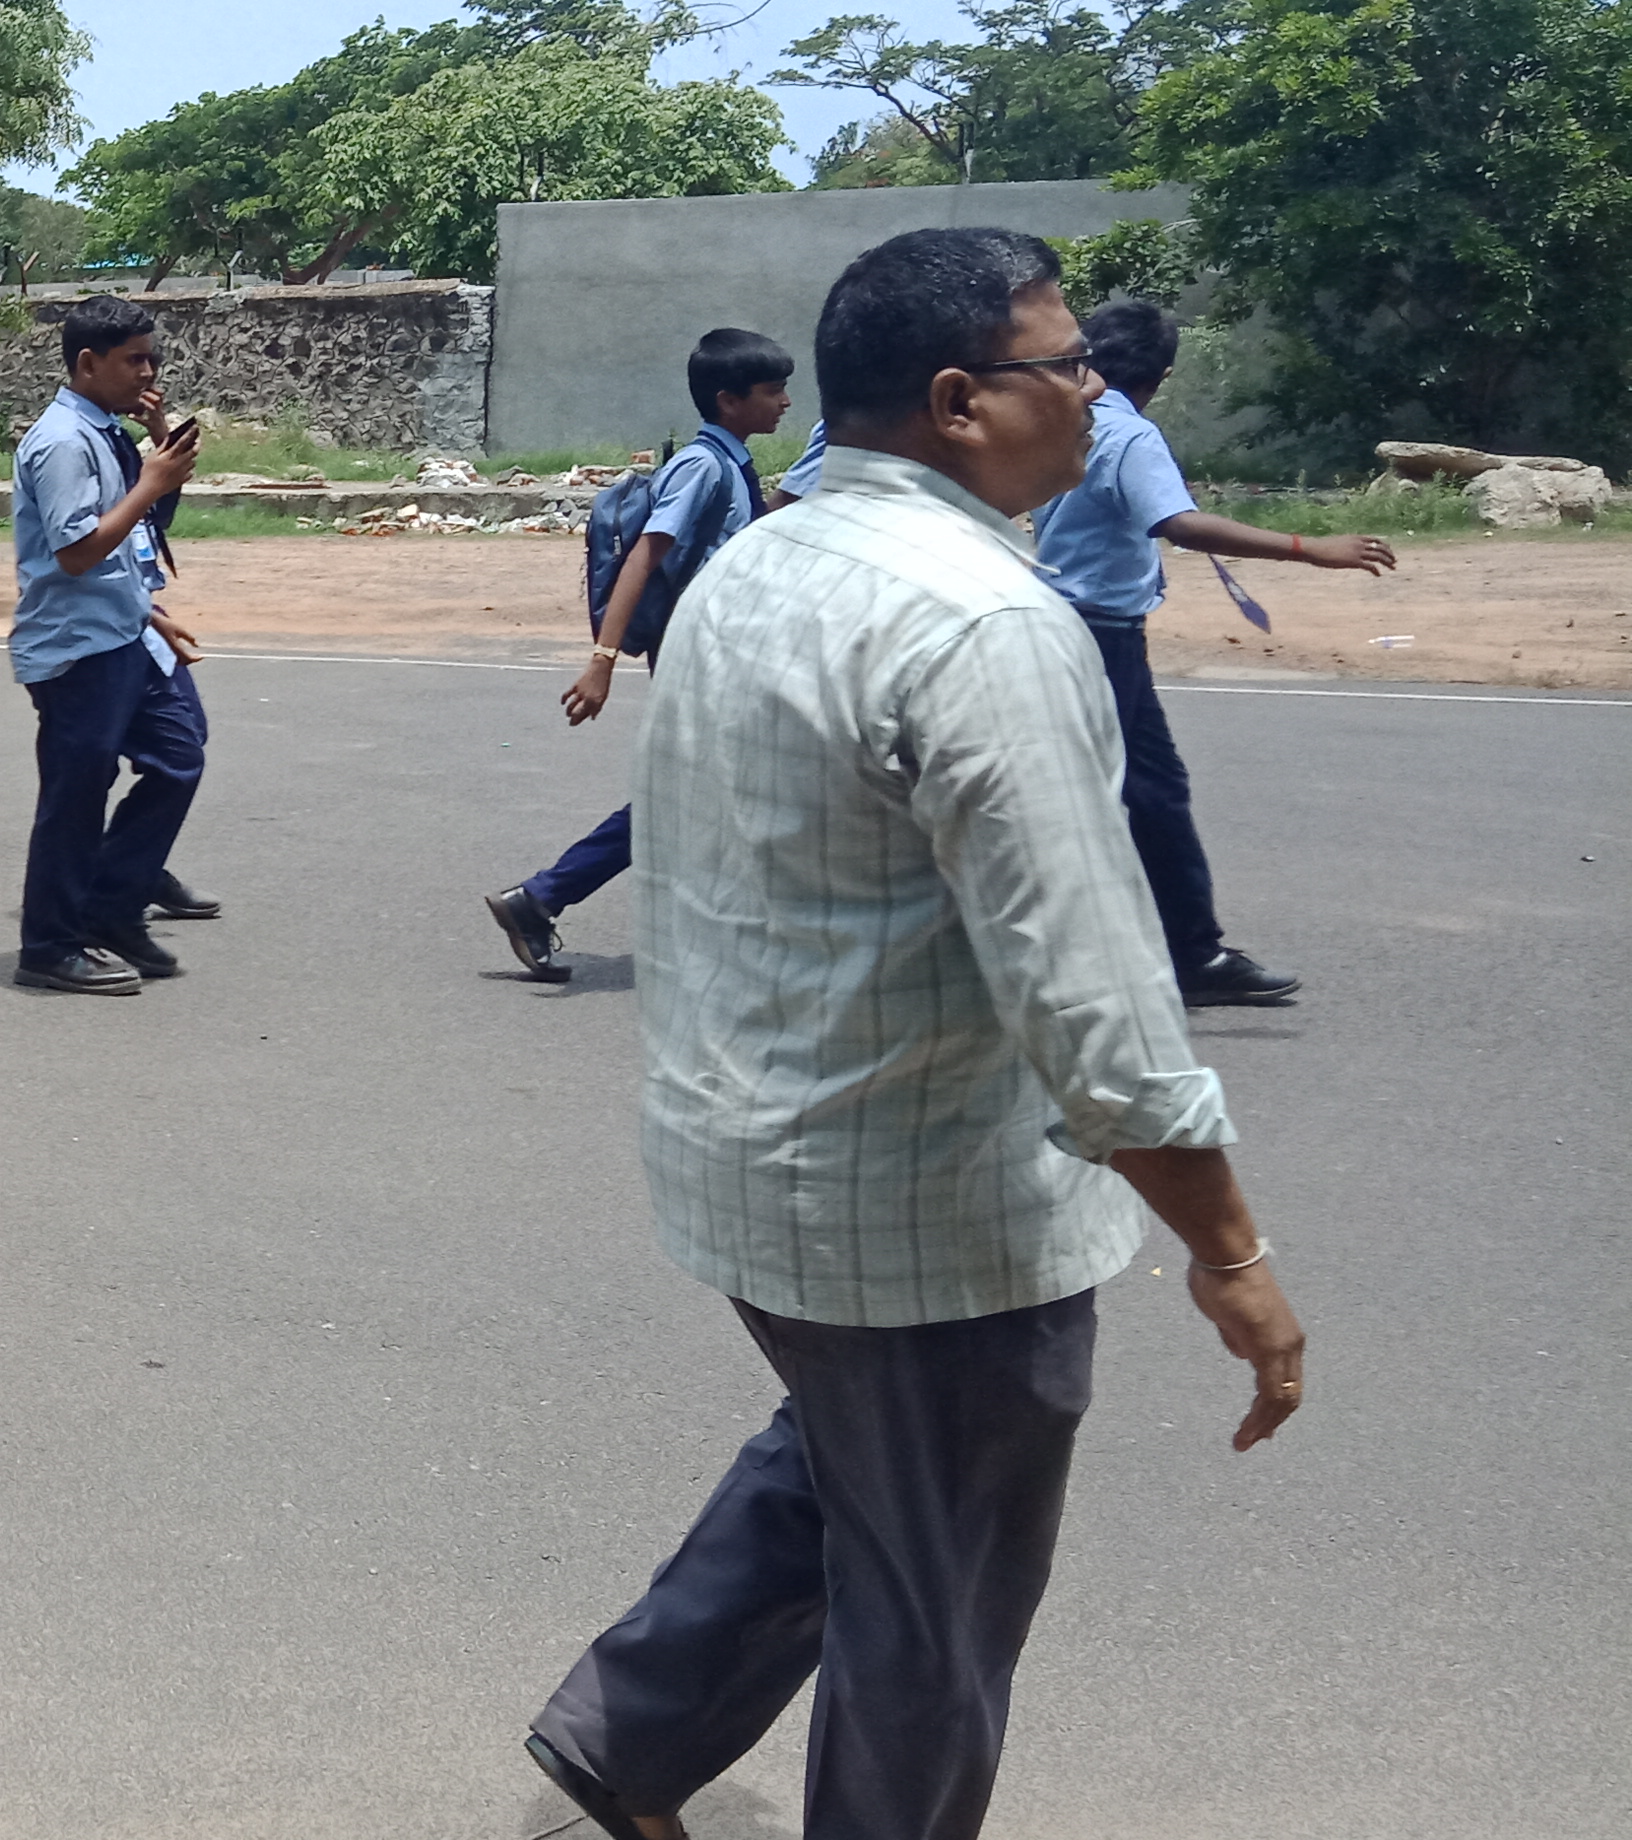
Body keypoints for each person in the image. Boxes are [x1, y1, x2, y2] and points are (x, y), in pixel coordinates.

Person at [522, 227, 1308, 1840]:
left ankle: (626, 1736)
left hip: (757, 1170)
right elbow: (1094, 997)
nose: (1093, 396)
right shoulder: (983, 624)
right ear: (961, 400)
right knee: (934, 1606)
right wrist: (1229, 1250)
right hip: (931, 1215)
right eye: (1067, 364)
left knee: (848, 1463)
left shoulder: (770, 557)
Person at [1029, 298, 1389, 1007]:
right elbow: (1180, 523)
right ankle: (1169, 956)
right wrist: (1308, 547)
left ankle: (1184, 950)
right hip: (1102, 633)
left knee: (1147, 793)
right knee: (1124, 796)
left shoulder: (1071, 424)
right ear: (1161, 375)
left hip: (1074, 624)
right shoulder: (1130, 436)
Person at [484, 328, 789, 983]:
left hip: (725, 654)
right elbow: (644, 555)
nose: (786, 402)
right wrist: (602, 660)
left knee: (707, 794)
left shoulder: (732, 466)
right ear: (728, 400)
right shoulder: (703, 468)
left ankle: (544, 899)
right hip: (700, 658)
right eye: (772, 391)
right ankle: (542, 897)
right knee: (704, 794)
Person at [4, 295, 207, 997]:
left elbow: (138, 530)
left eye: (152, 358)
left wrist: (156, 458)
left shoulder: (105, 430)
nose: (147, 373)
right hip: (77, 648)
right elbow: (77, 552)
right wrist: (151, 479)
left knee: (178, 757)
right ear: (87, 364)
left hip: (123, 631)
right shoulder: (61, 440)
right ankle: (51, 944)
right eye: (134, 362)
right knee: (76, 795)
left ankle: (114, 906)